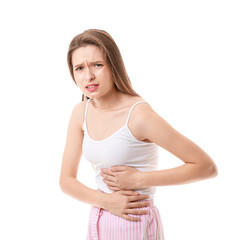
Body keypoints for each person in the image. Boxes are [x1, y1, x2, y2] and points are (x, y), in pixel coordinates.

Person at [59, 29, 218, 240]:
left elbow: (206, 167)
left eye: (97, 65)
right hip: (99, 219)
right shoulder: (81, 112)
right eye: (79, 68)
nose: (88, 76)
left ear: (113, 65)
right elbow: (66, 180)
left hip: (134, 221)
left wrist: (139, 178)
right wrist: (105, 201)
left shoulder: (139, 115)